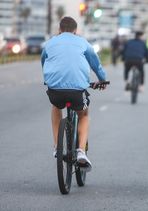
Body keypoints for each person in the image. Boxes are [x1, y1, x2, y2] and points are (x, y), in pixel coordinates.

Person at [41, 17, 107, 171]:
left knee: (56, 107)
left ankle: (57, 146)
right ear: (75, 30)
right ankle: (81, 152)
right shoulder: (82, 42)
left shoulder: (50, 43)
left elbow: (44, 60)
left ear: (59, 29)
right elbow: (95, 63)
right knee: (83, 114)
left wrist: (48, 78)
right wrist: (102, 79)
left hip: (55, 89)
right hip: (77, 90)